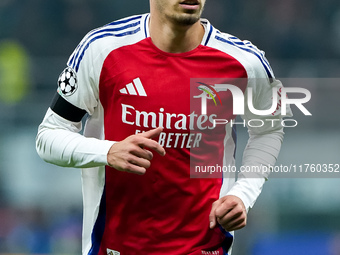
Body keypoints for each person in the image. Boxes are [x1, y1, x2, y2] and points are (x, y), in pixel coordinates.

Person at [36, 0, 291, 254]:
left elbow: (269, 129)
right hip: (114, 245)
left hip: (203, 246)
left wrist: (243, 195)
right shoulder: (103, 49)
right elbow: (48, 137)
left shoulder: (245, 62)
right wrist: (108, 151)